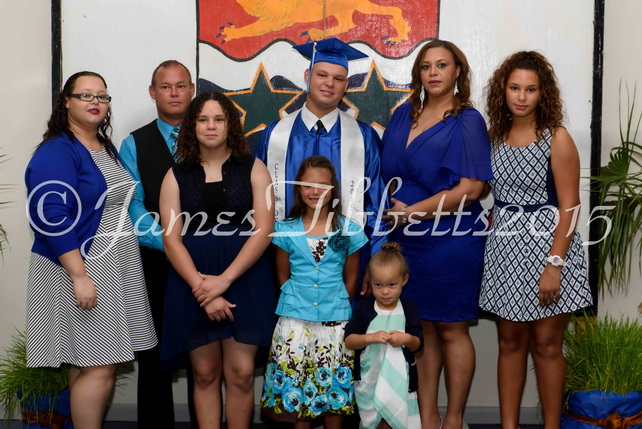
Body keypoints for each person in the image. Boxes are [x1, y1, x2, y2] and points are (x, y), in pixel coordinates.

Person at [24, 71, 157, 429]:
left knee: (88, 360)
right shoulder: (58, 150)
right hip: (82, 266)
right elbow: (51, 216)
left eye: (102, 96)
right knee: (100, 364)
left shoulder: (102, 145)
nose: (95, 102)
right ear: (66, 102)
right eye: (85, 95)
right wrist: (79, 275)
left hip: (112, 266)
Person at [380, 40, 493, 429]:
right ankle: (428, 416)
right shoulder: (402, 114)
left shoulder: (467, 121)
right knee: (422, 327)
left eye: (442, 65)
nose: (433, 73)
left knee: (452, 328)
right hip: (406, 241)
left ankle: (454, 419)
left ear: (457, 71)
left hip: (451, 239)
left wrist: (410, 212)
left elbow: (471, 189)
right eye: (426, 66)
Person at [480, 51, 592, 429]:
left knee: (546, 345)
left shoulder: (556, 138)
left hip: (549, 251)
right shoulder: (493, 137)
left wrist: (554, 265)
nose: (521, 96)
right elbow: (478, 188)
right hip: (505, 251)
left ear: (543, 93)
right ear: (503, 89)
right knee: (510, 343)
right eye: (515, 88)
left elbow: (571, 207)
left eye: (530, 89)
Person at [158, 91, 276, 428]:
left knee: (241, 374)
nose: (211, 126)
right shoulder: (175, 175)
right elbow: (171, 239)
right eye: (203, 119)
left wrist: (223, 281)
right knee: (205, 373)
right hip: (193, 284)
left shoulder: (254, 168)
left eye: (219, 119)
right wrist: (203, 289)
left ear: (230, 125)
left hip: (245, 280)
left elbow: (264, 231)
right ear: (192, 126)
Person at [260, 155, 368, 428]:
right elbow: (282, 276)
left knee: (332, 391)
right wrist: (301, 301)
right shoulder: (284, 230)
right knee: (298, 392)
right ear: (298, 188)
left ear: (333, 189)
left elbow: (351, 279)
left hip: (334, 322)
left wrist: (335, 306)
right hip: (294, 321)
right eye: (308, 185)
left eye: (322, 185)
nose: (315, 191)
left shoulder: (349, 230)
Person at [255, 37, 386, 260]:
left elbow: (377, 203)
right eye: (322, 75)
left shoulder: (363, 136)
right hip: (283, 258)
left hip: (347, 259)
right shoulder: (275, 134)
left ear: (346, 85)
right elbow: (259, 200)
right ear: (308, 76)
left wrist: (376, 260)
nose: (329, 83)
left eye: (338, 78)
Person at [119, 59, 196, 428]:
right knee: (154, 357)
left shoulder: (211, 134)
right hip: (154, 264)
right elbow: (131, 203)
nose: (174, 93)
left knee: (204, 358)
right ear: (153, 92)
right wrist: (169, 243)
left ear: (192, 90)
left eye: (181, 86)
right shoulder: (134, 143)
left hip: (206, 264)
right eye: (166, 87)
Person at [345, 242, 423, 429]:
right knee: (372, 422)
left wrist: (406, 339)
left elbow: (418, 344)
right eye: (378, 285)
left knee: (394, 421)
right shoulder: (364, 308)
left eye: (391, 285)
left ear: (404, 280)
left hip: (400, 383)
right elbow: (349, 340)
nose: (385, 291)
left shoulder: (408, 309)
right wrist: (370, 338)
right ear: (370, 281)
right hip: (369, 380)